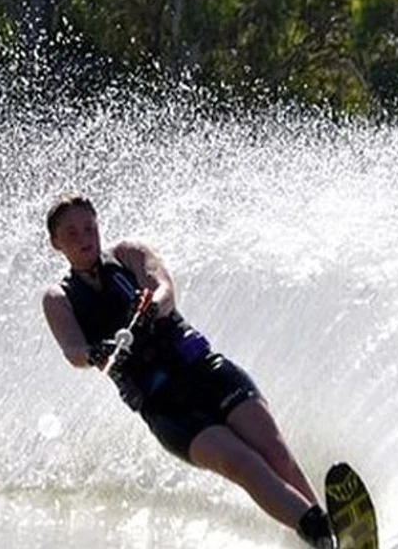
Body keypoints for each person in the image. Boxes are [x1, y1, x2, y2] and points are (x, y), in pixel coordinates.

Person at [40, 193, 337, 548]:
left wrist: (153, 306)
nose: (84, 237)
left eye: (89, 227)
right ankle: (320, 532)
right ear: (56, 243)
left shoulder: (128, 254)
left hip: (205, 370)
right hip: (166, 407)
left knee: (274, 454)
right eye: (71, 233)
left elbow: (164, 288)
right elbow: (73, 351)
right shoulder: (58, 297)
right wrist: (96, 354)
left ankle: (324, 534)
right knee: (241, 463)